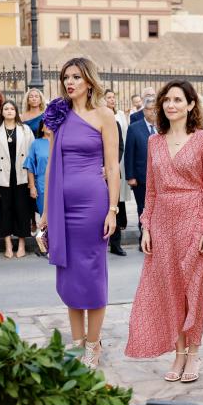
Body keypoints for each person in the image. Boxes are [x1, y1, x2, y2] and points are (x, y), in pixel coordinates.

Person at [125, 80, 203, 382]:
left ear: (191, 105)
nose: (171, 105)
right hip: (162, 224)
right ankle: (178, 354)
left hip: (194, 222)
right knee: (169, 292)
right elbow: (151, 191)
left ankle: (194, 353)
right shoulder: (155, 141)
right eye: (167, 100)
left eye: (178, 100)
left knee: (192, 291)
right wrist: (146, 228)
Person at [41, 57, 120, 369]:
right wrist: (46, 212)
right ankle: (76, 344)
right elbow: (49, 167)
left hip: (93, 205)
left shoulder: (104, 115)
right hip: (62, 206)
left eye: (75, 77)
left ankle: (93, 343)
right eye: (65, 77)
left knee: (92, 274)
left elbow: (113, 166)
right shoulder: (59, 117)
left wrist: (113, 210)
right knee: (69, 274)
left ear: (89, 81)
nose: (69, 82)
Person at [0, 100, 36, 259]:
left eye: (12, 109)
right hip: (2, 176)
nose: (9, 111)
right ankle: (8, 244)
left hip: (21, 175)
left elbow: (31, 155)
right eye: (6, 108)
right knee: (4, 210)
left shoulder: (25, 129)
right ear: (2, 112)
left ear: (16, 111)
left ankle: (21, 243)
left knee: (22, 210)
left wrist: (32, 180)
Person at [124, 95, 157, 251]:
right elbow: (129, 153)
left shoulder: (164, 128)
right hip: (141, 177)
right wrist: (130, 176)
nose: (153, 113)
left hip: (161, 178)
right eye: (150, 110)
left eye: (155, 110)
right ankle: (144, 238)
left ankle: (157, 238)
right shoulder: (134, 128)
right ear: (144, 111)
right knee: (143, 209)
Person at [103, 89, 127, 256]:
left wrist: (109, 166)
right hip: (95, 173)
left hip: (111, 172)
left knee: (115, 207)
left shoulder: (116, 124)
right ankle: (101, 243)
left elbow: (120, 147)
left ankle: (116, 244)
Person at [24, 120, 51, 249]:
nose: (49, 126)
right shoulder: (36, 144)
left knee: (60, 215)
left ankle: (55, 244)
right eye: (46, 123)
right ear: (41, 128)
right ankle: (44, 244)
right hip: (41, 184)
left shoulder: (60, 142)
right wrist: (32, 186)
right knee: (44, 214)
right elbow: (30, 166)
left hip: (61, 184)